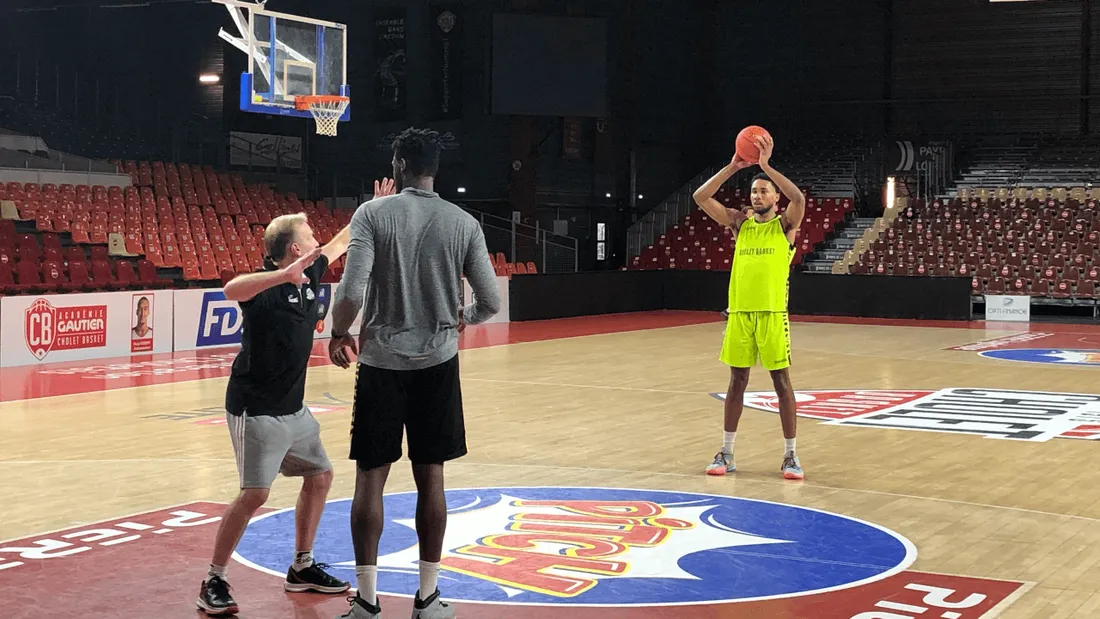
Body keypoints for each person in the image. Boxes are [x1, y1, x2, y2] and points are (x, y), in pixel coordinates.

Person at [195, 178, 396, 616]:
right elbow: (230, 289)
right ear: (292, 248)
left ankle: (302, 566)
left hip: (294, 408)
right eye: (309, 235)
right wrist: (281, 276)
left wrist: (374, 207)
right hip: (256, 408)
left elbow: (342, 241)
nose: (317, 239)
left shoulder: (312, 272)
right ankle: (214, 579)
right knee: (254, 494)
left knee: (320, 476)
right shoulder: (264, 289)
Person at [327, 127, 501, 619]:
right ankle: (427, 598)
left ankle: (367, 601)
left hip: (381, 364)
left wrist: (339, 333)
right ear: (435, 169)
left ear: (400, 164)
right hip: (438, 365)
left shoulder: (372, 214)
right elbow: (490, 300)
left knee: (370, 479)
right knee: (432, 478)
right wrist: (462, 317)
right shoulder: (464, 222)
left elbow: (352, 290)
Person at [692, 133, 806, 480]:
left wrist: (767, 166)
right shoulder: (739, 224)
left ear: (775, 197)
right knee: (736, 381)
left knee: (781, 382)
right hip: (740, 314)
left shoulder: (785, 226)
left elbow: (799, 198)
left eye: (764, 191)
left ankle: (790, 455)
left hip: (772, 315)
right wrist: (733, 166)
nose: (757, 195)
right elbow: (700, 197)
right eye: (754, 191)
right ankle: (726, 452)